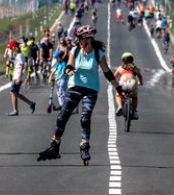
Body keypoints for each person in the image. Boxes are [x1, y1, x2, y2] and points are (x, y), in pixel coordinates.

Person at [37, 24, 122, 163]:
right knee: (62, 116)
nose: (78, 41)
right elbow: (69, 66)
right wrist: (69, 71)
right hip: (75, 87)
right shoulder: (75, 51)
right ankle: (54, 146)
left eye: (80, 39)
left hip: (91, 89)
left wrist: (119, 89)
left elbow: (108, 73)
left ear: (88, 39)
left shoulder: (98, 54)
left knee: (85, 118)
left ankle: (84, 146)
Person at [7, 39, 36, 116]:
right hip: (16, 76)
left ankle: (15, 110)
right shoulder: (18, 55)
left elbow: (21, 67)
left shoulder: (20, 55)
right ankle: (30, 103)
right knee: (15, 93)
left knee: (13, 92)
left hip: (18, 76)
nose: (10, 49)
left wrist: (19, 78)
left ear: (14, 47)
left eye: (11, 48)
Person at [114, 52, 144, 119]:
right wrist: (141, 83)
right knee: (134, 97)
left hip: (123, 83)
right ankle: (134, 112)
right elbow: (140, 76)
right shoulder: (134, 67)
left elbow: (113, 77)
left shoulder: (120, 68)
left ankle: (120, 106)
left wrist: (115, 83)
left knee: (118, 95)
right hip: (132, 83)